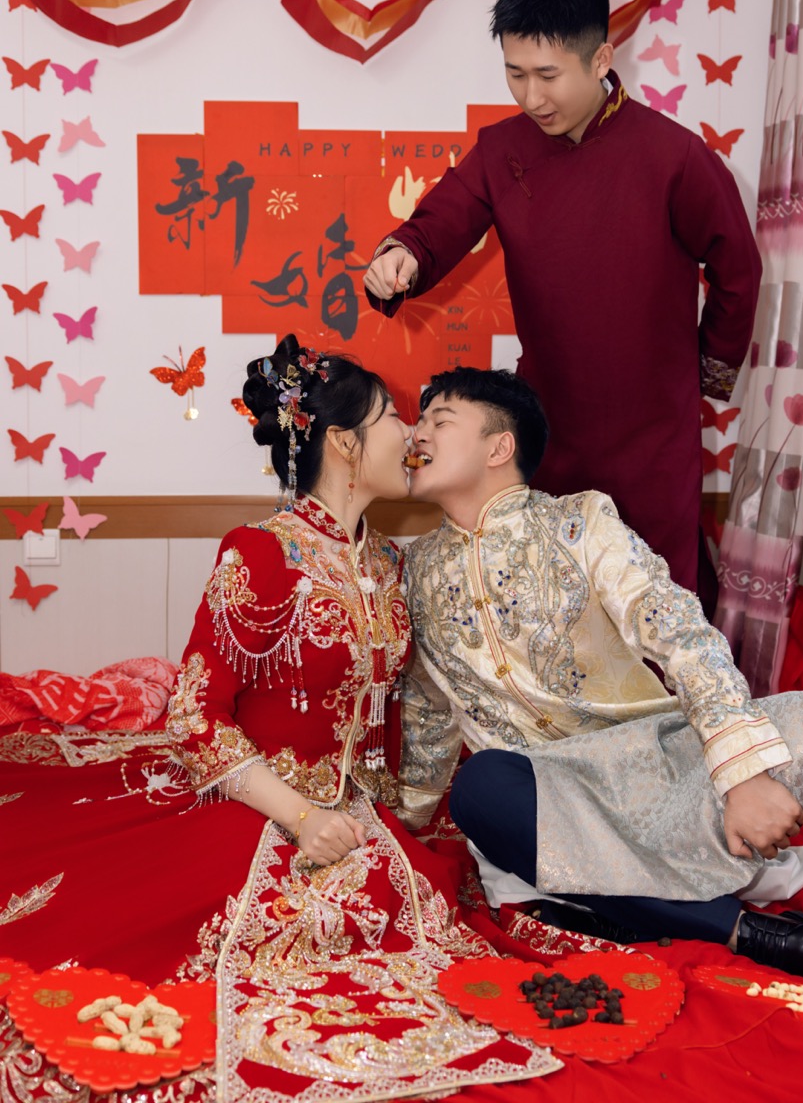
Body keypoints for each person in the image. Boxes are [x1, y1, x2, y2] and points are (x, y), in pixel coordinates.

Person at [0, 338, 561, 1102]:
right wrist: (299, 814)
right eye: (392, 416)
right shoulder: (264, 553)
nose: (410, 433)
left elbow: (403, 711)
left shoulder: (387, 563)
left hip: (359, 813)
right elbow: (193, 715)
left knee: (421, 922)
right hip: (257, 802)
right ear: (345, 442)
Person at [398, 366, 803, 983]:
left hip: (651, 774)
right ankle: (757, 934)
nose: (416, 434)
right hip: (540, 797)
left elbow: (683, 635)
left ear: (499, 447)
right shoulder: (415, 570)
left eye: (439, 420)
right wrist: (403, 826)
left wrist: (742, 776)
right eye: (417, 421)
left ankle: (605, 900)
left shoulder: (580, 523)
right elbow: (428, 711)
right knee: (479, 789)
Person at [364, 0, 762, 618]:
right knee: (546, 613)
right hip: (545, 429)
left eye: (547, 75)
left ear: (600, 58)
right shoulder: (502, 150)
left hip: (652, 435)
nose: (530, 96)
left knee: (654, 614)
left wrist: (704, 370)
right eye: (514, 74)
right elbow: (441, 220)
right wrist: (402, 254)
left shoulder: (674, 156)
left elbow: (737, 270)